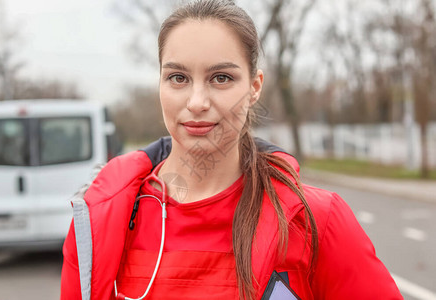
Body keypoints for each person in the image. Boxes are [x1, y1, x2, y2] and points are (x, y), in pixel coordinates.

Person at [60, 1, 403, 299]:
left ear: (254, 87)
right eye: (178, 78)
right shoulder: (101, 218)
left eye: (220, 78)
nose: (196, 103)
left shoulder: (316, 220)